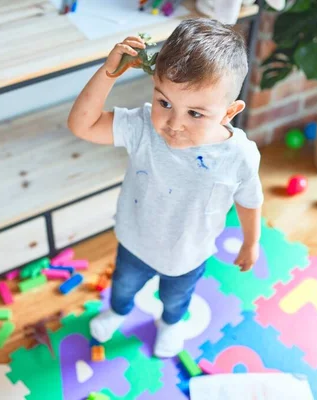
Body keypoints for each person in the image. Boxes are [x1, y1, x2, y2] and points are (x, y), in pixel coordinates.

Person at [67, 18, 263, 358]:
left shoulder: (239, 156)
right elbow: (82, 125)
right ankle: (117, 312)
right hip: (135, 240)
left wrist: (251, 242)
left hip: (188, 254)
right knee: (123, 287)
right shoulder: (143, 127)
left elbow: (248, 200)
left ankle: (171, 325)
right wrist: (108, 73)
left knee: (175, 300)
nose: (174, 124)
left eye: (196, 114)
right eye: (165, 103)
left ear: (229, 112)